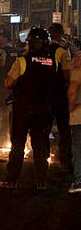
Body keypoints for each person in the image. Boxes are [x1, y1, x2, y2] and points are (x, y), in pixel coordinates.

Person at [0, 28, 57, 190]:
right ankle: (41, 181)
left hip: (23, 109)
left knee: (18, 144)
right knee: (40, 145)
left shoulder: (22, 61)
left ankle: (12, 180)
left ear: (30, 43)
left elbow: (8, 83)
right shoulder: (53, 61)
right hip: (44, 109)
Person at [48, 23, 72, 171]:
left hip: (44, 95)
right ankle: (64, 160)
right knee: (64, 129)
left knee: (43, 128)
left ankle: (40, 156)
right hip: (59, 95)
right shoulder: (62, 52)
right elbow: (67, 75)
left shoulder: (42, 51)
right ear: (61, 34)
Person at [68, 47, 81, 193]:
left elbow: (72, 92)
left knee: (78, 149)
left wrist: (70, 107)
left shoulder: (78, 69)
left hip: (79, 117)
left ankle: (79, 182)